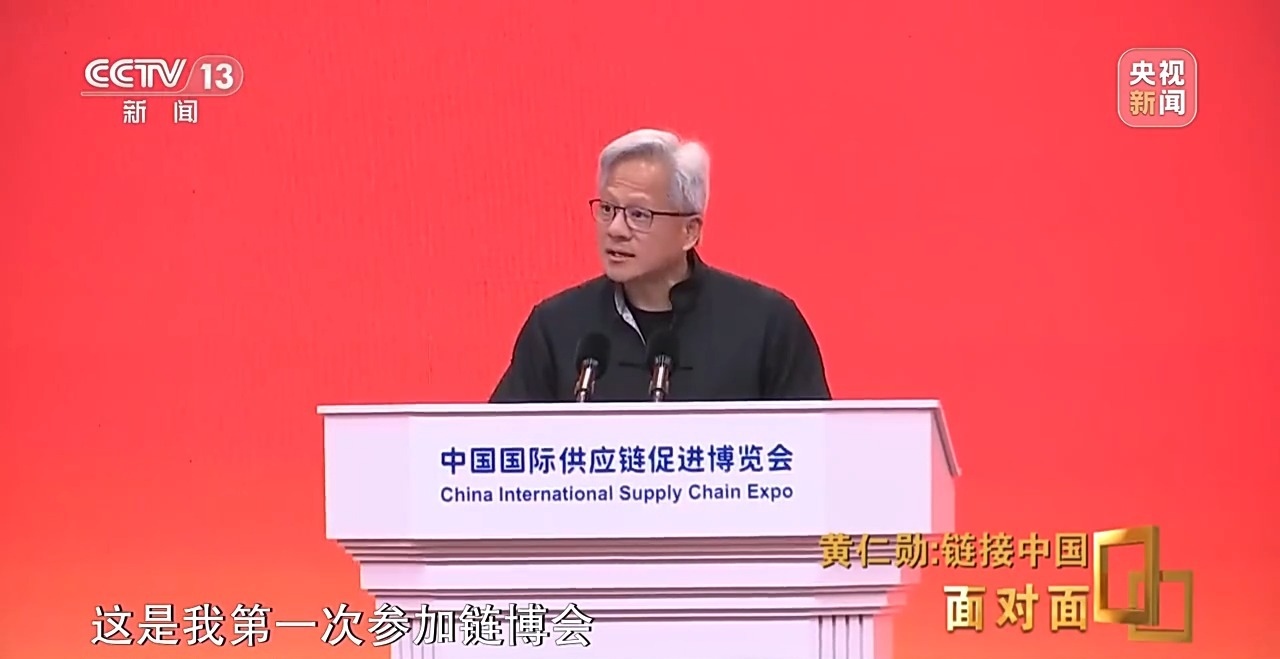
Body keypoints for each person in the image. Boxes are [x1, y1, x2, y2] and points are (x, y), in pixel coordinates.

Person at [490, 128, 831, 403]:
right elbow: (499, 447)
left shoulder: (767, 325)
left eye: (639, 215)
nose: (616, 229)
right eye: (607, 209)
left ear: (689, 231)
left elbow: (816, 452)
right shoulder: (556, 326)